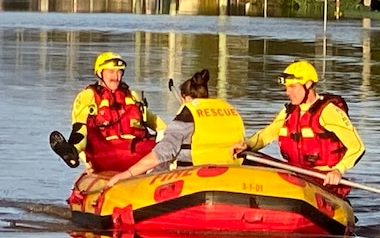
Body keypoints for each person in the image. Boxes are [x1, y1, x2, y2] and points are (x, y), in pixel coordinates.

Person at [242, 60, 365, 196]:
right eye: (287, 87)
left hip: (323, 181)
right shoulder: (289, 112)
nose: (287, 92)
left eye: (293, 87)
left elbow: (357, 147)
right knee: (249, 158)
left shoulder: (328, 111)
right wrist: (246, 145)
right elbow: (268, 134)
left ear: (308, 85)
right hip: (295, 175)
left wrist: (338, 170)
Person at [106, 69, 246, 187]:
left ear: (185, 98)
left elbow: (162, 153)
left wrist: (127, 174)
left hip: (194, 181)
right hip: (229, 177)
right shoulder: (226, 111)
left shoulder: (187, 116)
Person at [50, 51, 166, 173]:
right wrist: (78, 153)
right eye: (111, 72)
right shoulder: (88, 96)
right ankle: (70, 152)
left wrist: (174, 136)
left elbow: (157, 124)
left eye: (119, 72)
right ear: (100, 73)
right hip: (105, 154)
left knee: (166, 144)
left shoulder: (132, 97)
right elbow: (80, 130)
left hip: (136, 152)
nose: (116, 77)